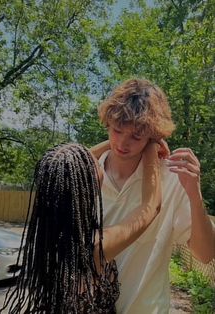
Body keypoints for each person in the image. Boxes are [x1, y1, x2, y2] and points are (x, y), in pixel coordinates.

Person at [92, 78, 215, 314]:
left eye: (136, 136)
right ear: (108, 123)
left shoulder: (171, 178)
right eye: (117, 130)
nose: (122, 143)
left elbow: (206, 253)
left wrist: (194, 192)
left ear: (153, 135)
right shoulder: (87, 174)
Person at [0, 142, 162, 314]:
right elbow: (151, 207)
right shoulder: (93, 247)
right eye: (94, 164)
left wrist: (120, 140)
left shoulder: (51, 236)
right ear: (85, 184)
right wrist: (150, 146)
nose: (98, 161)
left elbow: (66, 166)